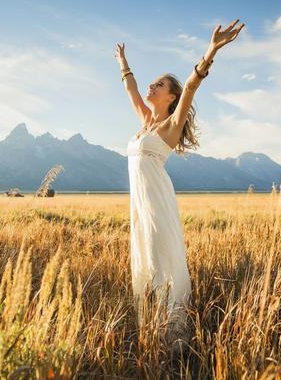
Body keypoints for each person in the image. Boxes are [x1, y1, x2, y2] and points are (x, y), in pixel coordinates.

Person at [115, 19, 245, 348]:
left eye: (159, 85)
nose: (152, 86)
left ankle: (173, 338)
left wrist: (211, 49)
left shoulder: (171, 125)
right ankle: (150, 331)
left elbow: (190, 87)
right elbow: (131, 91)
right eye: (153, 83)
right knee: (144, 258)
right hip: (139, 207)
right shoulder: (145, 121)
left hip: (157, 203)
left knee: (162, 261)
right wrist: (123, 62)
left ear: (171, 96)